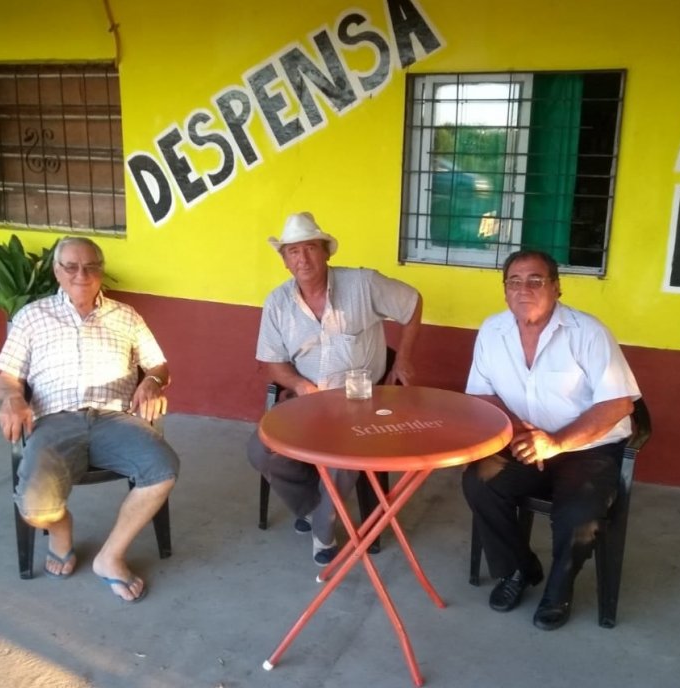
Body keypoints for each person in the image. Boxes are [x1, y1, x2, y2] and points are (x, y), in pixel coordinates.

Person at [0, 236, 179, 603]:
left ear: (101, 271)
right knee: (35, 510)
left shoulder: (126, 316)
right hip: (54, 420)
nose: (82, 274)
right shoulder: (32, 316)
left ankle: (110, 557)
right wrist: (13, 397)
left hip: (114, 417)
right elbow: (7, 375)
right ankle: (61, 528)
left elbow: (159, 364)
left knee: (163, 468)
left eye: (91, 266)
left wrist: (153, 382)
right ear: (56, 271)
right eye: (72, 266)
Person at [461, 249, 640, 630]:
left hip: (584, 447)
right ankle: (518, 569)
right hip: (523, 440)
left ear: (557, 288)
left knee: (579, 514)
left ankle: (559, 588)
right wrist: (515, 427)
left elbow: (619, 403)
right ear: (505, 290)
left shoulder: (588, 333)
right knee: (479, 481)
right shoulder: (492, 331)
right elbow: (481, 394)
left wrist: (556, 442)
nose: (523, 288)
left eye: (535, 280)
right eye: (514, 281)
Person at [247, 211, 422, 565]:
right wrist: (297, 383)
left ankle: (323, 532)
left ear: (326, 252)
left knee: (344, 453)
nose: (303, 258)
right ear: (284, 261)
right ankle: (313, 508)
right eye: (293, 252)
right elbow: (272, 362)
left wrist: (402, 359)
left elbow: (413, 302)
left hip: (360, 397)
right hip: (307, 399)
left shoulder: (363, 284)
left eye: (310, 248)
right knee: (261, 449)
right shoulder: (277, 302)